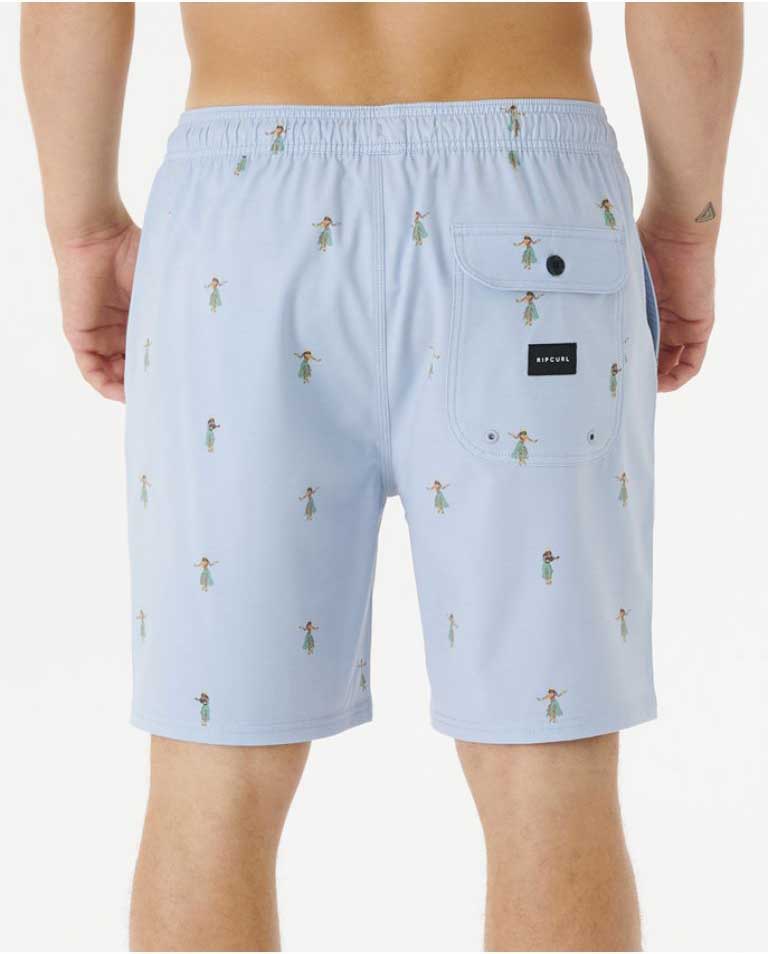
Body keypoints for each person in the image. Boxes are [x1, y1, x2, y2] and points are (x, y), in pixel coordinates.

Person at [21, 3, 742, 951]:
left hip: (242, 221)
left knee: (213, 776)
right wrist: (686, 231)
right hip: (528, 208)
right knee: (548, 771)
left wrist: (82, 232)